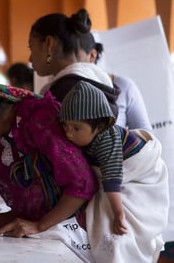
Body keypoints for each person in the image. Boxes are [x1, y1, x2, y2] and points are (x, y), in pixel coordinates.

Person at [0, 76, 97, 236]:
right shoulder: (3, 141)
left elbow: (82, 185)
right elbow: (29, 212)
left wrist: (40, 226)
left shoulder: (39, 120)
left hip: (78, 234)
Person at [60, 81, 169, 262]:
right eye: (65, 126)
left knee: (116, 231)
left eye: (76, 128)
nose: (69, 133)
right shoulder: (86, 137)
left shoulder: (105, 140)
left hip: (141, 169)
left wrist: (119, 215)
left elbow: (111, 180)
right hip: (117, 174)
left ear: (100, 127)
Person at [30, 8, 120, 114]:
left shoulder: (63, 93)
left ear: (49, 43)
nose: (30, 58)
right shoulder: (99, 81)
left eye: (31, 48)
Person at [77, 32, 152, 131]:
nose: (69, 65)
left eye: (74, 55)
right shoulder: (62, 86)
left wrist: (119, 142)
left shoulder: (124, 86)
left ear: (92, 56)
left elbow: (146, 136)